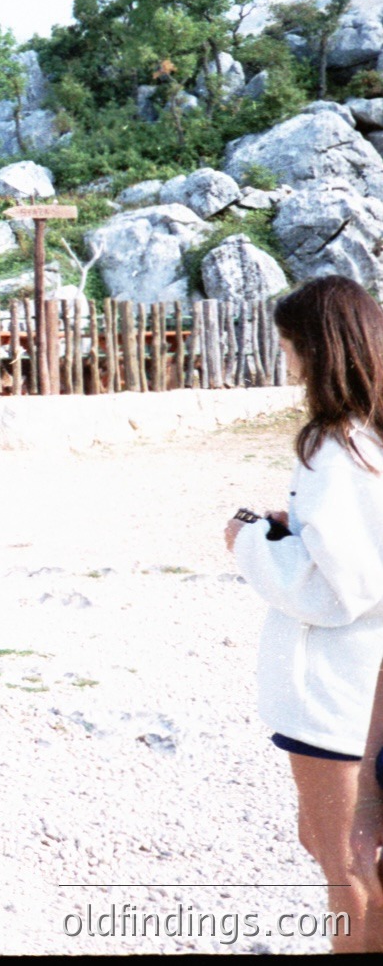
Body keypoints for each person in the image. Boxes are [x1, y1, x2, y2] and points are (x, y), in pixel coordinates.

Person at [226, 275, 383, 952]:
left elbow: (333, 590)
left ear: (315, 352)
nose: (285, 361)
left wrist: (248, 539)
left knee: (340, 854)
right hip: (368, 682)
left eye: (289, 345)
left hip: (335, 691)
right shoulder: (371, 438)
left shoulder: (332, 445)